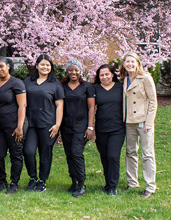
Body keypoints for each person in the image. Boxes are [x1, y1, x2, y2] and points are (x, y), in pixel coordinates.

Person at [23, 54, 64, 192]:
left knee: (45, 153)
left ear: (51, 67)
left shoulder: (55, 84)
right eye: (42, 64)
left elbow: (59, 105)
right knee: (28, 151)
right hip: (30, 124)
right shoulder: (28, 82)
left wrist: (57, 124)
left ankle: (42, 180)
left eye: (48, 65)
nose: (45, 67)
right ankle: (33, 178)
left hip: (48, 124)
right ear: (37, 66)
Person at [120, 52, 157, 198]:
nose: (130, 64)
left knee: (147, 153)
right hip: (129, 121)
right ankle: (132, 182)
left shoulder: (145, 78)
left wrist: (149, 121)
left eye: (132, 62)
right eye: (127, 62)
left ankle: (150, 185)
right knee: (130, 152)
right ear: (123, 64)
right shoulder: (125, 79)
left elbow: (153, 101)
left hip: (143, 121)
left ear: (137, 63)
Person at [0, 57, 28, 194]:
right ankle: (2, 181)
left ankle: (14, 183)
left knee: (16, 154)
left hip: (15, 125)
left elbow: (22, 106)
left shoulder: (16, 83)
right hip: (0, 127)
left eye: (1, 66)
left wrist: (19, 127)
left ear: (8, 66)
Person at [60, 59, 95, 198]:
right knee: (69, 153)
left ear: (80, 71)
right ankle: (74, 181)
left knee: (76, 152)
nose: (73, 72)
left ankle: (82, 183)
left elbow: (92, 107)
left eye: (76, 70)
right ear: (67, 71)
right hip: (66, 124)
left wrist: (90, 127)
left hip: (81, 124)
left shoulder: (87, 86)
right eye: (70, 70)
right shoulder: (62, 86)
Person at [93, 64, 126, 196]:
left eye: (107, 74)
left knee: (113, 156)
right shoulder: (96, 89)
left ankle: (113, 186)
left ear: (112, 75)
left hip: (117, 128)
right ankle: (107, 184)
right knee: (104, 157)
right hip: (101, 128)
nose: (105, 77)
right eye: (102, 75)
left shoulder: (120, 88)